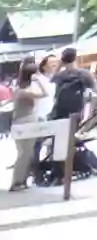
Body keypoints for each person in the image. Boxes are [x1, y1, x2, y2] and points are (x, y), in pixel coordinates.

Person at [8, 59, 48, 192]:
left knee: (25, 153)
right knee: (25, 153)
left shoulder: (18, 88)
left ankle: (21, 180)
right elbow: (45, 94)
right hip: (27, 122)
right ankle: (17, 181)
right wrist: (39, 81)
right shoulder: (24, 91)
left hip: (20, 122)